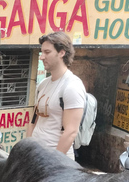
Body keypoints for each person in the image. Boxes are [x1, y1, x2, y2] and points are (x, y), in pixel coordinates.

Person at [27, 31, 86, 160]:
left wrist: (53, 163)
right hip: (36, 157)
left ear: (61, 52)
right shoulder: (43, 84)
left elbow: (70, 132)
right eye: (42, 52)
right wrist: (27, 151)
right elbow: (33, 121)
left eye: (47, 52)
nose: (42, 57)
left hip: (57, 163)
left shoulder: (72, 86)